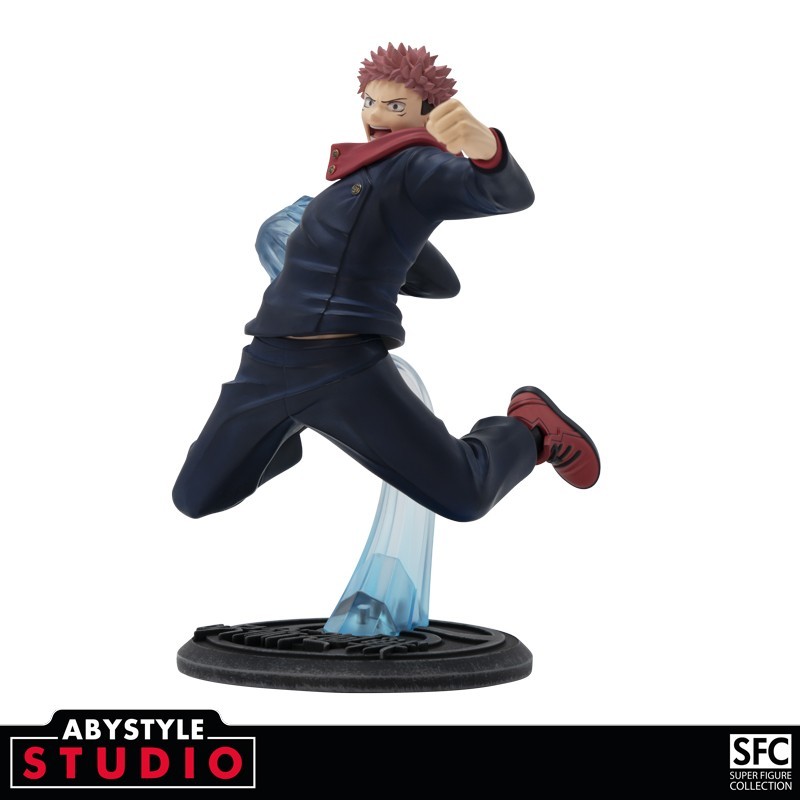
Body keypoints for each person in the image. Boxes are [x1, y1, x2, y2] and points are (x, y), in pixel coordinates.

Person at [173, 43, 600, 524]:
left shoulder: (417, 167)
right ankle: (282, 433)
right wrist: (381, 255)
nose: (375, 116)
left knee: (466, 494)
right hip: (267, 361)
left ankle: (530, 431)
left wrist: (488, 151)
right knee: (195, 497)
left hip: (342, 367)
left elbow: (506, 194)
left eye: (395, 106)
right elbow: (439, 281)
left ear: (429, 113)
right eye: (369, 101)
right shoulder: (356, 175)